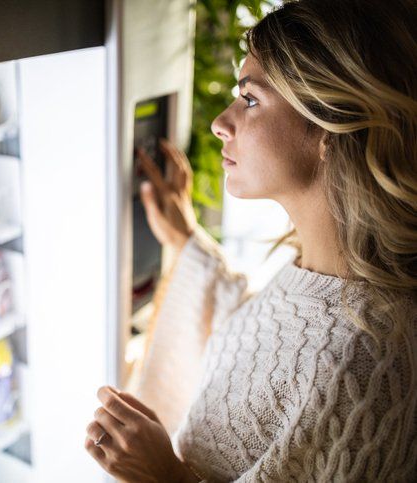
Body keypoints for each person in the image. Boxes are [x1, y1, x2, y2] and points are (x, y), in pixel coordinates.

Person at [84, 0, 417, 481]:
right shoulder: (315, 267)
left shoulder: (365, 360)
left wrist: (163, 475)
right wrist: (186, 242)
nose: (222, 121)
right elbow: (272, 355)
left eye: (251, 99)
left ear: (329, 124)